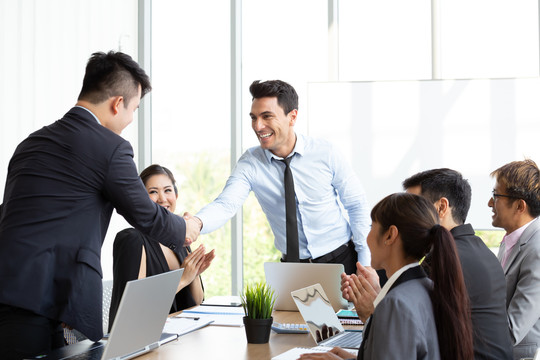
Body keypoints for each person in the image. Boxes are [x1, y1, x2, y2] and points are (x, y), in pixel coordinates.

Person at [0, 51, 200, 359]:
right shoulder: (110, 147)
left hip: (9, 291)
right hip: (53, 299)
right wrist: (187, 228)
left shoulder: (30, 143)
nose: (130, 120)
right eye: (133, 109)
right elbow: (146, 216)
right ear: (117, 103)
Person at [189, 80, 371, 274]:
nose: (258, 126)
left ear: (292, 117)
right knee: (286, 307)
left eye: (267, 116)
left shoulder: (325, 153)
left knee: (348, 306)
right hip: (292, 269)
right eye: (254, 117)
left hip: (342, 261)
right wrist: (197, 223)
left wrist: (365, 263)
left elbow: (356, 205)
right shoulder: (251, 163)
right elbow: (226, 205)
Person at [300, 193, 474, 360]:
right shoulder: (428, 287)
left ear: (390, 235)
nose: (366, 237)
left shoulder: (396, 303)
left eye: (371, 227)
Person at [403, 168, 512, 359]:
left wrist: (371, 310)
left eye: (413, 207)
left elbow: (405, 331)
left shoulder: (445, 259)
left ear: (441, 207)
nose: (404, 217)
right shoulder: (481, 250)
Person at [108, 164, 215, 330]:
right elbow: (135, 310)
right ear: (141, 200)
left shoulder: (180, 240)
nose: (162, 199)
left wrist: (193, 274)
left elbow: (197, 303)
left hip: (178, 339)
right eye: (153, 192)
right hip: (142, 343)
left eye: (167, 190)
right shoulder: (132, 240)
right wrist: (183, 279)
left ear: (176, 195)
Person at [489, 159, 540, 360]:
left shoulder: (536, 249)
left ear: (520, 205)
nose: (490, 203)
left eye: (495, 196)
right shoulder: (511, 239)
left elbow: (512, 330)